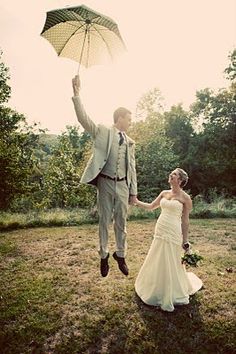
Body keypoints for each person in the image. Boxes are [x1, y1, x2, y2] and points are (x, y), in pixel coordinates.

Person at [72, 75, 137, 277]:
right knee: (104, 221)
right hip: (105, 183)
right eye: (128, 118)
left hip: (123, 185)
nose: (130, 122)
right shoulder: (102, 131)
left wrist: (133, 192)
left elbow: (132, 168)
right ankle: (103, 256)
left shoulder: (130, 142)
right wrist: (77, 94)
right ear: (119, 118)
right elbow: (84, 119)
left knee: (121, 222)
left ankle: (121, 254)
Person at [134, 168, 202, 312]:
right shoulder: (164, 193)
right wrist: (136, 201)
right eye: (171, 174)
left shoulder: (185, 198)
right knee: (157, 256)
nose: (171, 176)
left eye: (174, 175)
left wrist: (185, 240)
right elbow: (151, 207)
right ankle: (154, 286)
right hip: (160, 228)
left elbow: (185, 221)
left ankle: (172, 290)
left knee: (172, 259)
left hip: (173, 231)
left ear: (180, 180)